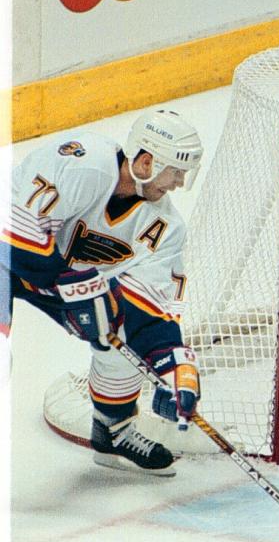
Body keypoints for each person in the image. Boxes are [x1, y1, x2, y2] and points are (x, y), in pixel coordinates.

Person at [2, 109, 205, 476]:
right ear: (145, 161)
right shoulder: (83, 163)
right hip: (7, 256)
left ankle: (113, 431)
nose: (178, 183)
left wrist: (173, 366)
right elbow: (18, 242)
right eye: (175, 171)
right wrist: (77, 289)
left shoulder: (166, 228)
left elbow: (151, 309)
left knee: (122, 336)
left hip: (66, 283)